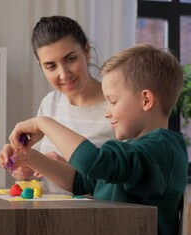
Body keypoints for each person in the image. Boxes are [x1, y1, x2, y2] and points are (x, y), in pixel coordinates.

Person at [0, 43, 188, 235]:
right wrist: (29, 157)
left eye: (112, 102)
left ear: (146, 100)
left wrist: (43, 124)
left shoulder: (162, 149)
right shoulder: (136, 150)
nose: (107, 112)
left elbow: (94, 162)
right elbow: (81, 181)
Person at [11, 15, 115, 193]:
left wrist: (66, 165)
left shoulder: (117, 106)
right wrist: (23, 166)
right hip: (52, 216)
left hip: (99, 218)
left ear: (87, 52)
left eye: (71, 59)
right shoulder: (50, 103)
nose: (64, 74)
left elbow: (125, 178)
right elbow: (34, 165)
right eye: (51, 66)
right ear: (41, 66)